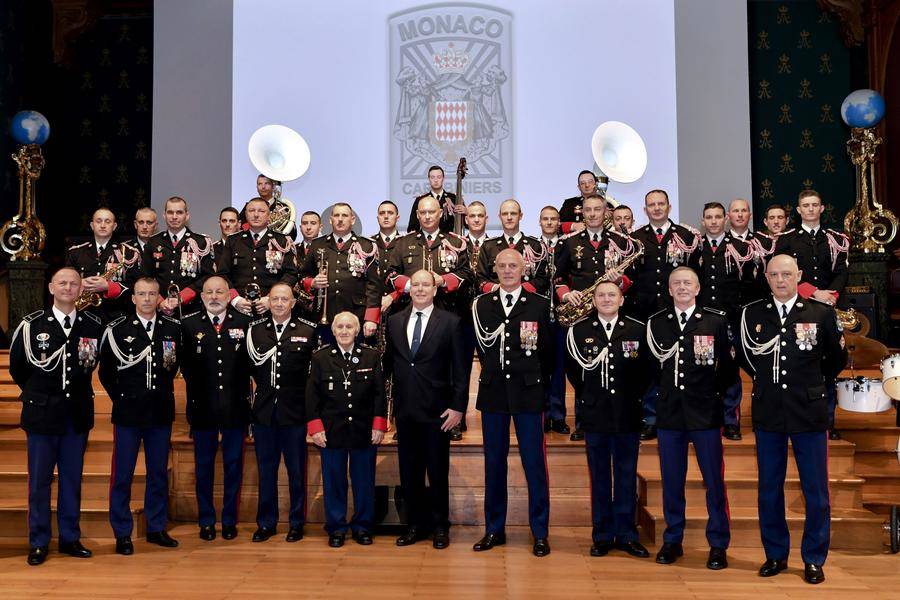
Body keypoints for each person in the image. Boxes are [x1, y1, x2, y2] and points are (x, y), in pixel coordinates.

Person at [738, 254, 847, 585]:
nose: (781, 280)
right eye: (774, 275)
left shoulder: (820, 313)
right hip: (769, 410)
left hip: (809, 411)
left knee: (815, 490)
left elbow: (837, 358)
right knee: (769, 488)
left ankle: (814, 557)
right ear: (767, 278)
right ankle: (775, 554)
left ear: (798, 275)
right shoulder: (752, 313)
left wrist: (811, 383)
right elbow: (746, 356)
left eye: (787, 274)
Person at [9, 267, 103, 566]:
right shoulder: (31, 325)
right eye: (62, 282)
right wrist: (41, 394)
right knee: (39, 481)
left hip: (76, 415)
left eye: (73, 284)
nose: (68, 287)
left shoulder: (92, 325)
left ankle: (69, 538)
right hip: (42, 414)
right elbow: (19, 368)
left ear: (80, 290)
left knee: (72, 480)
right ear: (51, 287)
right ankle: (38, 541)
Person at [646, 267, 735, 570]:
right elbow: (650, 372)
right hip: (670, 414)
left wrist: (715, 400)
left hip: (705, 415)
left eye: (687, 283)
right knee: (672, 481)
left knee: (714, 482)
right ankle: (673, 539)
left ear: (697, 289)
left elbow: (727, 371)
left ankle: (718, 543)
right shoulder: (657, 323)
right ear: (669, 290)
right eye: (676, 284)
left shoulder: (715, 321)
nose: (682, 288)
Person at [471, 249, 555, 557]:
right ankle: (494, 529)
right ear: (494, 269)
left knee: (534, 464)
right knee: (494, 464)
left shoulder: (539, 305)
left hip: (529, 394)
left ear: (524, 270)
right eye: (502, 265)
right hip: (493, 395)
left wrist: (539, 386)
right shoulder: (481, 305)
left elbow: (549, 355)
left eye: (513, 266)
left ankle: (540, 532)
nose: (507, 270)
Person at [565, 282, 650, 559]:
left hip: (628, 413)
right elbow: (575, 373)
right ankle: (601, 535)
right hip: (595, 413)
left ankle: (626, 534)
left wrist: (632, 397)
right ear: (593, 301)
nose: (606, 299)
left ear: (621, 300)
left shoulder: (638, 329)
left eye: (612, 294)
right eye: (601, 295)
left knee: (626, 475)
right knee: (600, 477)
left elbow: (646, 373)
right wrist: (592, 397)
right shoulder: (579, 331)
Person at [98, 277, 182, 555]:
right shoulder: (117, 330)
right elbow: (107, 373)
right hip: (128, 413)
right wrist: (123, 397)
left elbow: (175, 367)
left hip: (159, 411)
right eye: (141, 294)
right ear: (133, 298)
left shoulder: (172, 329)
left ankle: (156, 527)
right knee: (122, 474)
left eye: (152, 294)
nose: (147, 299)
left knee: (158, 473)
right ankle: (122, 532)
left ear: (159, 298)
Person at [386, 270, 467, 548]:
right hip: (406, 411)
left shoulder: (451, 322)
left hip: (438, 412)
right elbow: (391, 365)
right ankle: (415, 525)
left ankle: (440, 526)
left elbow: (460, 370)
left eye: (426, 285)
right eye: (416, 284)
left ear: (435, 289)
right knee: (409, 473)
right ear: (409, 289)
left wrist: (458, 408)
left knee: (437, 471)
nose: (420, 289)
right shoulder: (394, 321)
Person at [553, 194, 635, 440]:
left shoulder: (621, 242)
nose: (591, 214)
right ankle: (583, 421)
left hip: (613, 313)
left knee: (617, 368)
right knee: (582, 370)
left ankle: (619, 418)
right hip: (581, 316)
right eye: (587, 210)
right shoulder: (568, 242)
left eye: (597, 209)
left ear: (606, 212)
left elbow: (633, 279)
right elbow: (558, 278)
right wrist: (567, 295)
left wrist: (618, 280)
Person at [180, 276, 252, 542]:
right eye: (208, 292)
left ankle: (230, 520)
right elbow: (185, 367)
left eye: (219, 291)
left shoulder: (244, 323)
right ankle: (206, 520)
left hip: (235, 409)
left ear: (228, 294)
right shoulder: (188, 325)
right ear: (201, 296)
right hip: (203, 408)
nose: (213, 296)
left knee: (234, 467)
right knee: (204, 468)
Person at [306, 312, 387, 547]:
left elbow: (379, 394)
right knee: (334, 482)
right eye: (339, 326)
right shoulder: (320, 358)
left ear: (357, 330)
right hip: (331, 431)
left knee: (364, 482)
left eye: (349, 327)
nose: (343, 331)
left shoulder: (371, 356)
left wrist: (379, 425)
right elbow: (312, 396)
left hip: (363, 430)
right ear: (332, 331)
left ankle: (363, 527)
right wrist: (315, 428)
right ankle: (336, 528)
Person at [774, 190, 850, 439]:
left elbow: (841, 272)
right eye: (805, 205)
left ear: (822, 208)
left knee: (828, 363)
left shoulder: (835, 239)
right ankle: (797, 419)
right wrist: (814, 293)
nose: (810, 209)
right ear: (798, 210)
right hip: (801, 308)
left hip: (829, 309)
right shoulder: (787, 240)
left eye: (814, 205)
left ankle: (827, 421)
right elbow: (782, 273)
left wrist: (831, 296)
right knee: (801, 363)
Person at [246, 283, 318, 543]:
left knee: (296, 471)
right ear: (268, 300)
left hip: (294, 413)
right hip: (265, 413)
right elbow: (249, 371)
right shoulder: (254, 331)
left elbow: (312, 378)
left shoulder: (307, 331)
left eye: (283, 299)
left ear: (292, 303)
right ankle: (266, 523)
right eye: (274, 298)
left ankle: (296, 523)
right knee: (266, 471)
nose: (278, 303)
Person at [629, 189, 702, 440]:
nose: (657, 208)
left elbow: (694, 276)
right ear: (645, 209)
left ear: (669, 207)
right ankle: (651, 418)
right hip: (645, 313)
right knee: (649, 367)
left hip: (679, 313)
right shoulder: (634, 239)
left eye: (661, 204)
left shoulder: (686, 236)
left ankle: (685, 416)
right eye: (652, 205)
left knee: (682, 365)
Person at [697, 202, 758, 441]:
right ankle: (706, 418)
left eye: (717, 217)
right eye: (708, 217)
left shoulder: (742, 248)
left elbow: (750, 286)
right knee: (703, 369)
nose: (713, 221)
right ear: (703, 221)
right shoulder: (694, 248)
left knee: (731, 371)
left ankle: (731, 421)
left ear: (726, 220)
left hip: (730, 319)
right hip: (702, 320)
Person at [297, 203, 381, 342]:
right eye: (336, 215)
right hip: (324, 316)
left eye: (344, 215)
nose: (340, 219)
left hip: (356, 316)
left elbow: (374, 286)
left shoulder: (366, 245)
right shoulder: (318, 244)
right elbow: (302, 275)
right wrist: (312, 282)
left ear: (352, 220)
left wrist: (371, 318)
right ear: (330, 220)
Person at [216, 197, 299, 316]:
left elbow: (291, 274)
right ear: (245, 214)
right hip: (238, 310)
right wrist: (235, 300)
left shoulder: (282, 240)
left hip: (272, 310)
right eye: (251, 211)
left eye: (261, 211)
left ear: (269, 215)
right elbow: (222, 274)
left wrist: (272, 298)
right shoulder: (233, 240)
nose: (256, 215)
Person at [141, 196, 215, 314]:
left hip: (192, 309)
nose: (174, 217)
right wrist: (159, 301)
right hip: (161, 309)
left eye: (179, 212)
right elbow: (145, 277)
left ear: (187, 216)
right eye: (170, 212)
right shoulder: (154, 242)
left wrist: (184, 296)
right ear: (164, 215)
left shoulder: (201, 242)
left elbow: (208, 277)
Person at [66, 207, 142, 320]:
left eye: (107, 221)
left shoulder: (129, 253)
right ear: (92, 225)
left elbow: (137, 287)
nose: (102, 225)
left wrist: (108, 286)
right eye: (98, 221)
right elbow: (64, 282)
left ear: (114, 226)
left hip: (117, 316)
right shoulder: (76, 252)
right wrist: (80, 283)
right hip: (83, 316)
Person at [476, 199, 550, 296]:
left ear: (520, 216)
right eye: (505, 214)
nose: (509, 217)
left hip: (527, 302)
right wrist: (497, 289)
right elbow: (480, 278)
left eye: (513, 213)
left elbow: (543, 279)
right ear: (500, 217)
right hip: (496, 302)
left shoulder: (535, 246)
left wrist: (519, 291)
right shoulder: (488, 246)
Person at [538, 205, 567, 435]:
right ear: (539, 222)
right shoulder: (532, 246)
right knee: (538, 366)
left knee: (558, 366)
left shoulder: (567, 246)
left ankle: (557, 415)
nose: (549, 223)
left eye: (553, 219)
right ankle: (541, 413)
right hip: (537, 315)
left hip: (561, 314)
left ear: (559, 222)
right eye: (545, 219)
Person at [407, 165, 465, 233]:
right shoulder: (420, 200)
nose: (436, 180)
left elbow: (466, 224)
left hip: (450, 241)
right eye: (432, 177)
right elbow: (412, 227)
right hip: (427, 241)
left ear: (443, 178)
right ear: (429, 179)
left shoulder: (454, 198)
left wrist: (466, 213)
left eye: (439, 177)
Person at [240, 174, 297, 239]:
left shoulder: (283, 207)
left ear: (273, 187)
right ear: (257, 187)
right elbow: (239, 227)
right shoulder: (249, 206)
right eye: (260, 184)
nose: (263, 187)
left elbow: (293, 234)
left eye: (267, 183)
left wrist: (284, 220)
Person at [559, 170, 601, 234]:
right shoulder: (569, 203)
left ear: (596, 184)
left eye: (590, 182)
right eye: (583, 183)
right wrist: (573, 226)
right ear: (579, 187)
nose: (587, 185)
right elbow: (556, 225)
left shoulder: (607, 204)